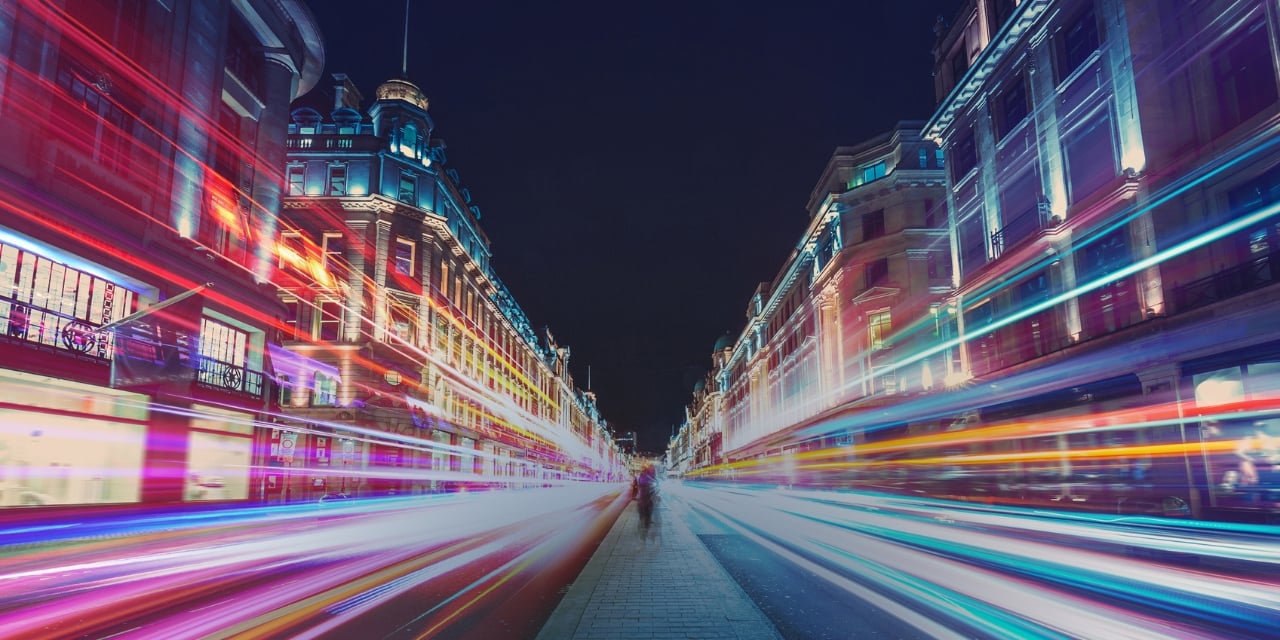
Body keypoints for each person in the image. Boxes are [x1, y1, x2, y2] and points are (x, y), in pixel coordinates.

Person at [1235, 420, 1280, 487]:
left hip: (1265, 465)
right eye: (1258, 429)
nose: (1260, 431)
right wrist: (1249, 458)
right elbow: (1238, 452)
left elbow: (1274, 453)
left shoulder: (1268, 439)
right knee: (1247, 468)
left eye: (1262, 429)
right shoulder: (1248, 440)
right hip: (1253, 465)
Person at [635, 463, 657, 531]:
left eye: (653, 468)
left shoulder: (651, 475)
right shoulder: (643, 475)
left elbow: (655, 482)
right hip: (644, 493)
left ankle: (647, 521)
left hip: (648, 493)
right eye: (651, 468)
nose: (652, 469)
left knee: (649, 506)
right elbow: (640, 483)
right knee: (643, 506)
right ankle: (644, 520)